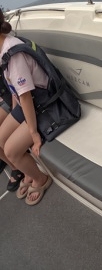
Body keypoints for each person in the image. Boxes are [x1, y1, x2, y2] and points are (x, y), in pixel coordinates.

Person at [0, 11, 53, 204]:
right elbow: (16, 91)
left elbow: (26, 96)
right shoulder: (3, 49)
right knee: (0, 140)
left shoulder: (12, 54)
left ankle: (40, 179)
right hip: (28, 103)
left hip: (44, 104)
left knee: (10, 150)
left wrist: (34, 134)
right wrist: (13, 117)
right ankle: (28, 171)